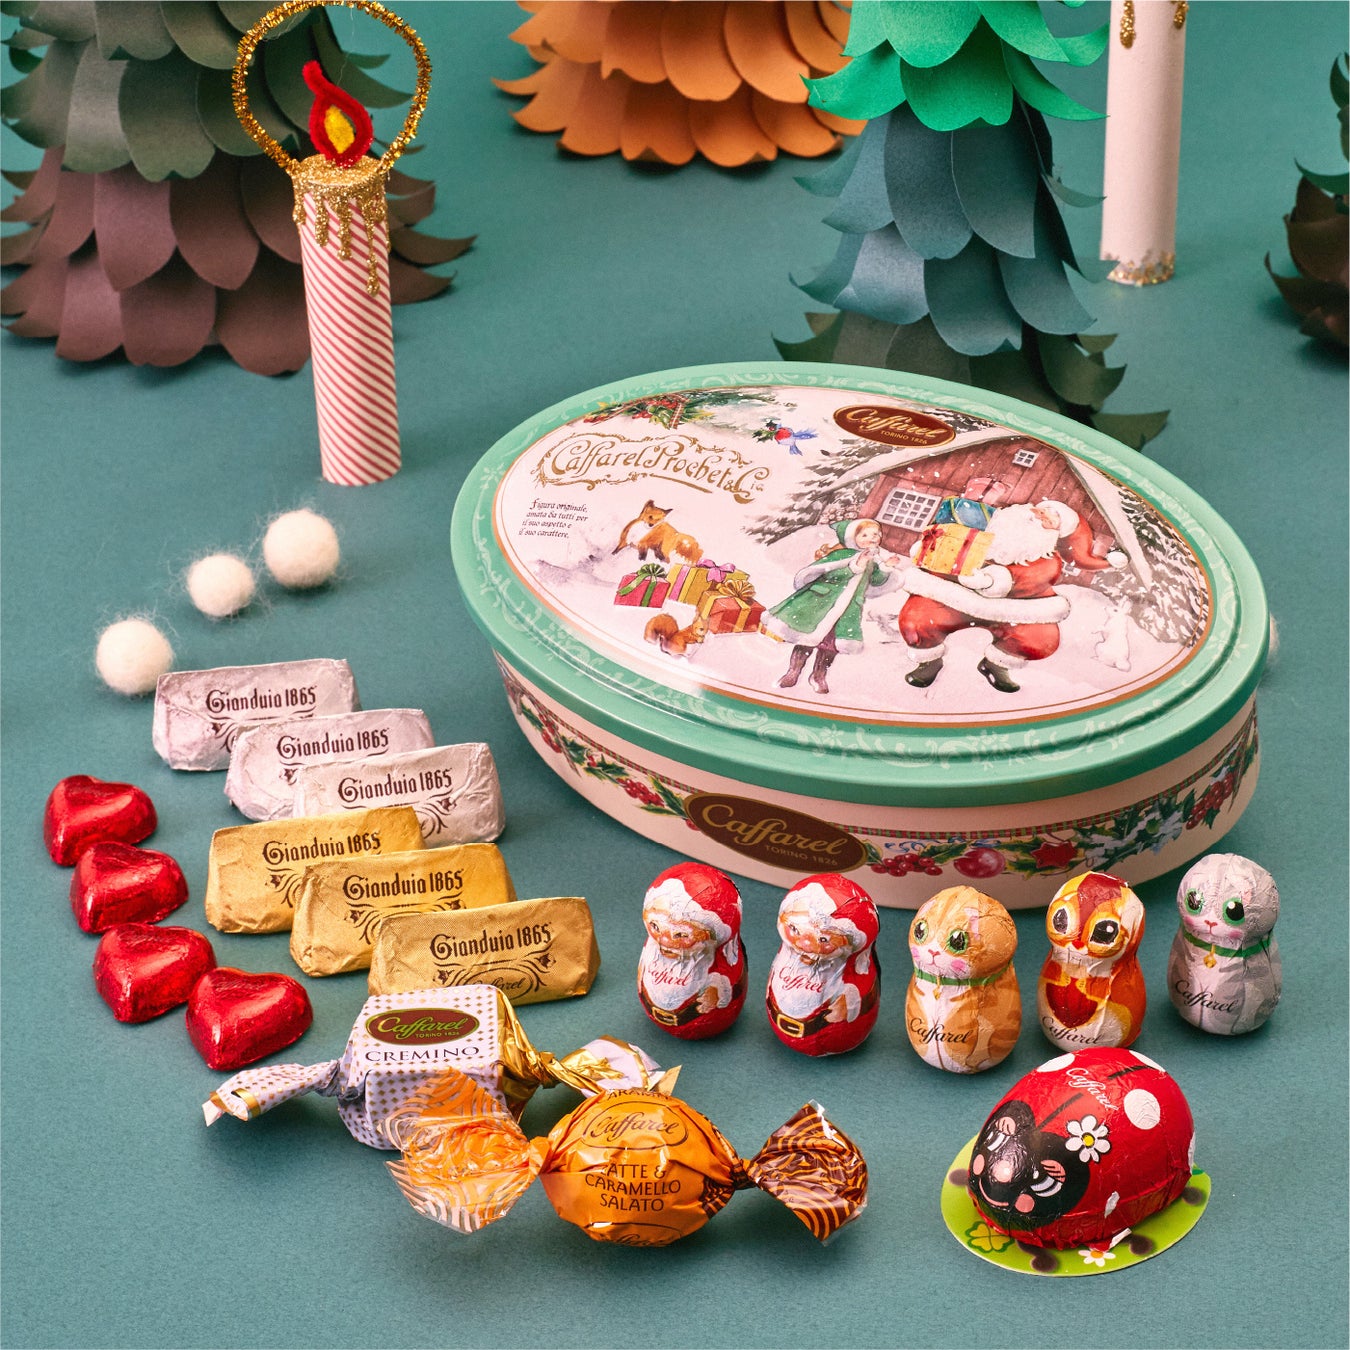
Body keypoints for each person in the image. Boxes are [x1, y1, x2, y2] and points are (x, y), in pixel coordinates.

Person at [898, 499, 1126, 693]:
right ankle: (928, 662)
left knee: (1039, 638)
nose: (1039, 516)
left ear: (1054, 535)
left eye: (1052, 519)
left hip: (1012, 609)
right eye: (1043, 510)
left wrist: (994, 581)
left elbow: (1032, 581)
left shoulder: (1045, 560)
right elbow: (943, 553)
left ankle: (997, 664)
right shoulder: (974, 532)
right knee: (918, 619)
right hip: (952, 597)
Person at [763, 518, 899, 695]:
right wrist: (855, 567)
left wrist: (886, 567)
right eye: (864, 535)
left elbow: (875, 580)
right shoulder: (841, 555)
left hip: (847, 609)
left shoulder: (873, 560)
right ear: (852, 538)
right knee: (807, 639)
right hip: (821, 604)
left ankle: (818, 675)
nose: (871, 538)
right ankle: (793, 672)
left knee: (832, 645)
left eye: (875, 534)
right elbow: (829, 574)